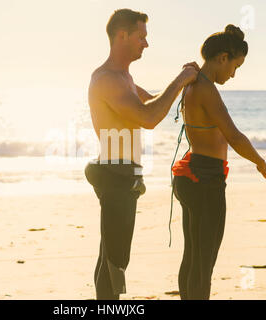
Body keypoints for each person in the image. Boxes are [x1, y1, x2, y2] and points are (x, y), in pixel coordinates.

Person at [85, 8, 199, 300]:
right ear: (122, 35)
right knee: (116, 259)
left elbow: (155, 101)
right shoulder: (108, 78)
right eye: (141, 37)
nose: (146, 44)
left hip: (125, 172)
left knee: (111, 253)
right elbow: (148, 117)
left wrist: (188, 87)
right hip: (115, 172)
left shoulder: (124, 76)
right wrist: (181, 78)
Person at [171, 24, 266, 300]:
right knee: (204, 260)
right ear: (223, 58)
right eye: (235, 66)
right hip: (205, 178)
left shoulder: (192, 82)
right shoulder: (205, 89)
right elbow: (233, 135)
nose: (233, 74)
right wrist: (261, 162)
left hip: (192, 174)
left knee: (194, 255)